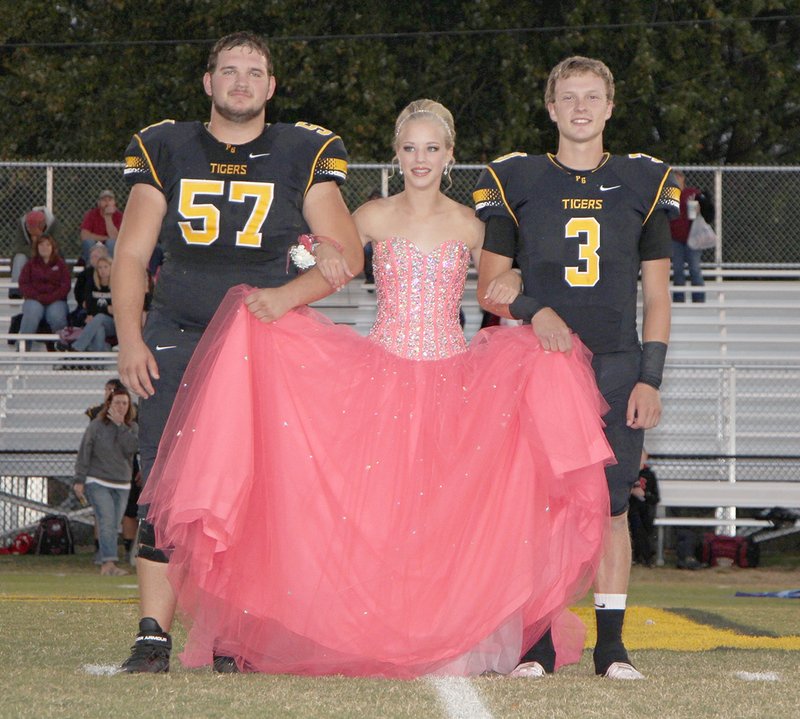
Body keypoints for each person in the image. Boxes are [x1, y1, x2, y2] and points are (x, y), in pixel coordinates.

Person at [136, 98, 614, 677]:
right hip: (380, 378)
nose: (421, 159)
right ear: (396, 152)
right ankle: (360, 632)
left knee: (446, 519)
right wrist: (303, 264)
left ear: (450, 156)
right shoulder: (370, 216)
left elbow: (496, 287)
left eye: (432, 149)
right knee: (376, 521)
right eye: (410, 148)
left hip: (452, 382)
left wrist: (518, 287)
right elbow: (320, 255)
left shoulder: (471, 223)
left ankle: (452, 633)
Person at [113, 31, 362, 673]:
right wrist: (131, 338)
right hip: (179, 329)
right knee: (163, 482)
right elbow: (133, 255)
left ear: (272, 86)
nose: (242, 82)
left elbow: (347, 255)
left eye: (255, 72)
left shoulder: (303, 151)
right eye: (229, 71)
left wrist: (287, 297)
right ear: (208, 82)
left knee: (254, 490)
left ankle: (234, 634)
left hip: (261, 341)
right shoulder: (166, 145)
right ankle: (152, 633)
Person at [474, 56, 680, 680]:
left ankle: (611, 647)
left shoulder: (643, 182)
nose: (581, 108)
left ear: (610, 106)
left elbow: (658, 295)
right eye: (569, 97)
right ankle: (537, 644)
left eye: (593, 97)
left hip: (618, 362)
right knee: (542, 507)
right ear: (551, 107)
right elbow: (489, 286)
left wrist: (651, 375)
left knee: (612, 506)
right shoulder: (519, 178)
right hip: (545, 363)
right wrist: (535, 310)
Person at [73, 386, 139, 576]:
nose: (121, 406)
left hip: (122, 483)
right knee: (107, 520)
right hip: (98, 480)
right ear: (109, 404)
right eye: (117, 402)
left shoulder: (132, 427)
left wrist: (121, 426)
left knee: (113, 523)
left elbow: (131, 449)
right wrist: (80, 479)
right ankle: (108, 563)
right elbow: (84, 452)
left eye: (124, 403)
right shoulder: (96, 425)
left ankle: (106, 559)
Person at [17, 234, 71, 343]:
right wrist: (37, 296)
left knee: (57, 316)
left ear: (53, 247)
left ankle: (63, 348)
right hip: (34, 299)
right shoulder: (30, 264)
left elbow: (65, 285)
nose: (44, 247)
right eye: (41, 245)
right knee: (31, 315)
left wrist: (51, 297)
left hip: (56, 300)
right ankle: (23, 350)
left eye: (48, 245)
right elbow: (23, 284)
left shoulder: (61, 265)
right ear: (37, 247)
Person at [670, 170, 710, 303]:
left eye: (677, 179)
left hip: (693, 238)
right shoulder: (669, 196)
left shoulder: (691, 193)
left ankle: (699, 298)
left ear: (682, 180)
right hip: (676, 238)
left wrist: (701, 206)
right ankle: (679, 298)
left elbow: (707, 208)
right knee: (678, 269)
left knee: (694, 268)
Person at [10, 207, 60, 298]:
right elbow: (18, 248)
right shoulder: (22, 224)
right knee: (19, 257)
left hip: (48, 255)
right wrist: (36, 246)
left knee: (56, 258)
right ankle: (15, 291)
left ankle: (52, 288)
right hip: (28, 254)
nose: (30, 233)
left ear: (42, 226)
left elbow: (57, 246)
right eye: (30, 230)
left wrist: (40, 240)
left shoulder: (54, 224)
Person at [68, 256, 115, 352]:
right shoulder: (92, 284)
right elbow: (88, 305)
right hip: (96, 322)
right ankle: (97, 364)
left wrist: (97, 311)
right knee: (99, 329)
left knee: (100, 317)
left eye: (106, 267)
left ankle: (76, 347)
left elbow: (116, 310)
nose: (103, 270)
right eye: (100, 267)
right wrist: (106, 309)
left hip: (114, 324)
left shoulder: (118, 286)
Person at [628, 449, 660, 566]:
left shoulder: (649, 475)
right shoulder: (629, 474)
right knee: (634, 521)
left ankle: (646, 556)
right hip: (631, 509)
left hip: (646, 509)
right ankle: (637, 556)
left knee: (643, 523)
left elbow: (655, 498)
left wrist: (644, 494)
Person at [79, 189, 123, 262]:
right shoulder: (91, 214)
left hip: (110, 246)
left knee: (112, 242)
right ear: (99, 203)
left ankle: (110, 267)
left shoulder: (119, 216)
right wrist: (105, 238)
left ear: (114, 202)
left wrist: (108, 217)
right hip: (95, 245)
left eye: (110, 200)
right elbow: (84, 235)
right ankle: (91, 268)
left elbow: (116, 238)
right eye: (104, 200)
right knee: (88, 242)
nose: (107, 202)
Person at [72, 244, 111, 326]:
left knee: (96, 320)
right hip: (88, 308)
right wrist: (83, 302)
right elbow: (78, 292)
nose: (93, 259)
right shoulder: (85, 274)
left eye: (96, 256)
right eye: (91, 257)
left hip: (107, 314)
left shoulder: (114, 277)